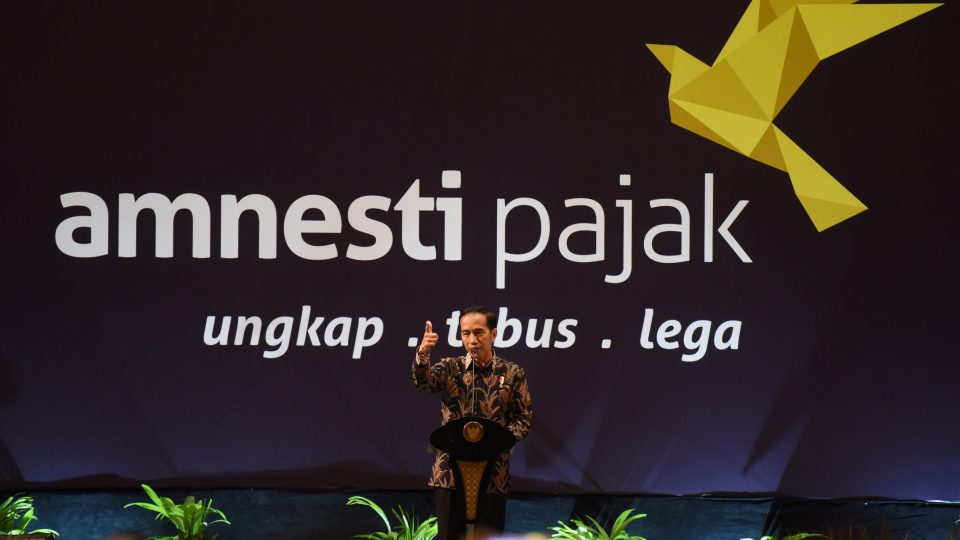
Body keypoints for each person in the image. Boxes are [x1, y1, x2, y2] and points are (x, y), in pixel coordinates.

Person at [412, 305, 533, 540]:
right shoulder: (450, 367)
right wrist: (423, 354)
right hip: (449, 474)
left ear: (494, 334)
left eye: (479, 333)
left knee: (489, 536)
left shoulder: (512, 373)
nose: (472, 340)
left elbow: (523, 417)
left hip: (493, 474)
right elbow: (424, 383)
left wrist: (499, 441)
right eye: (465, 333)